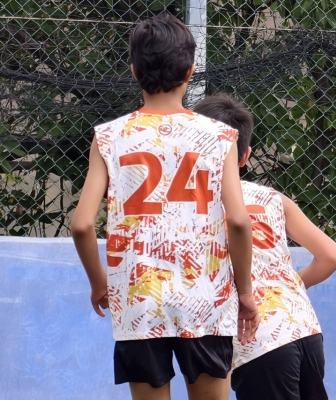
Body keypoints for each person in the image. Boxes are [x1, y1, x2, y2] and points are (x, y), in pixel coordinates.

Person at [70, 14, 259, 400]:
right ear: (190, 71)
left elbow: (82, 224)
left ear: (134, 71)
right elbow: (239, 221)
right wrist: (244, 292)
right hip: (205, 299)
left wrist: (99, 283)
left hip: (139, 300)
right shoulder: (221, 137)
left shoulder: (108, 137)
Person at [193, 93, 336, 400]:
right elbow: (332, 256)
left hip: (258, 342)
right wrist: (283, 286)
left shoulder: (195, 205)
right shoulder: (273, 199)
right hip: (304, 328)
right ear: (245, 156)